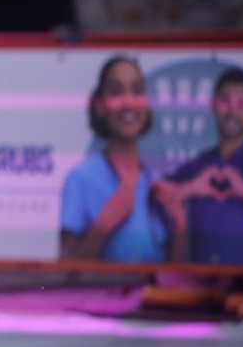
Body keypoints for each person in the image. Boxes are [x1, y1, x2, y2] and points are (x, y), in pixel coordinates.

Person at [156, 67, 243, 266]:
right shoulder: (197, 166)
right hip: (199, 287)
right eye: (225, 101)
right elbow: (154, 198)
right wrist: (191, 188)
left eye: (241, 104)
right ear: (214, 105)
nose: (233, 111)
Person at [60, 56, 186, 263]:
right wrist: (106, 222)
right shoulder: (81, 178)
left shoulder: (158, 183)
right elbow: (63, 273)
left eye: (137, 91)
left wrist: (180, 224)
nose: (128, 102)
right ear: (100, 105)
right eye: (117, 92)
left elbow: (174, 281)